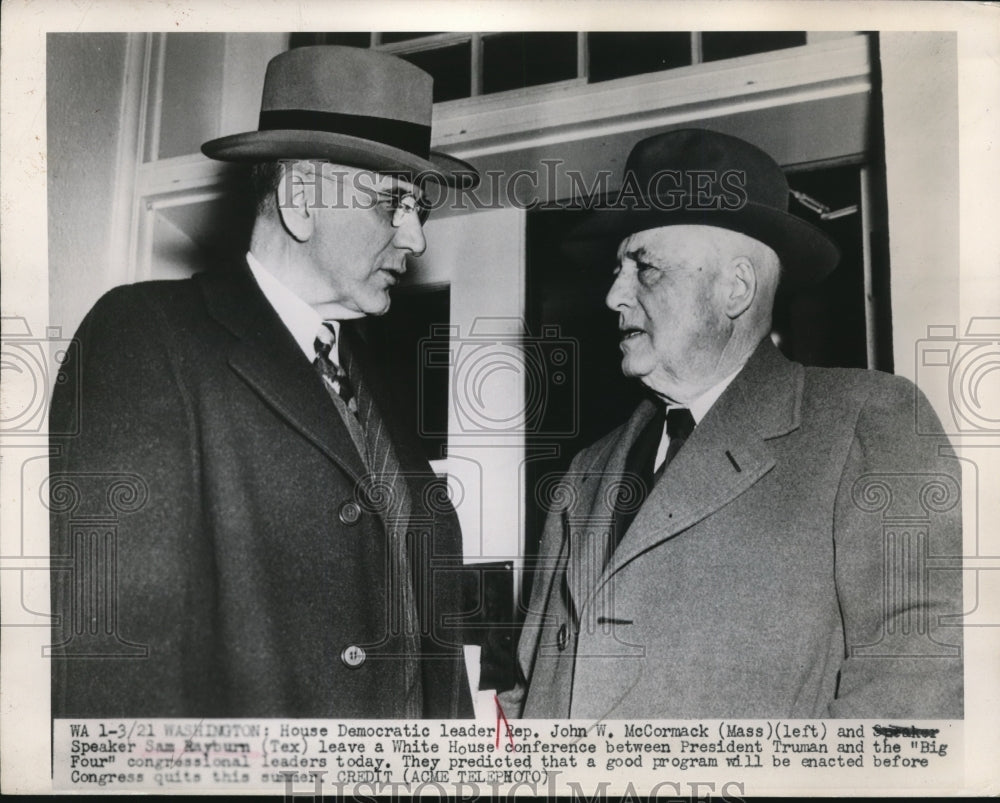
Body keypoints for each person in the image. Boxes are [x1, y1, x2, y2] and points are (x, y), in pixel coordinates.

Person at [49, 46, 479, 718]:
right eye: (393, 203)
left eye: (419, 207)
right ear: (301, 197)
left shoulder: (375, 390)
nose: (416, 238)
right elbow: (115, 663)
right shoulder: (150, 337)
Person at [503, 129, 963, 719]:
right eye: (617, 270)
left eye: (645, 269)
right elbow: (530, 686)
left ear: (736, 288)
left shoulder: (865, 422)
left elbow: (920, 680)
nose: (614, 295)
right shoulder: (585, 471)